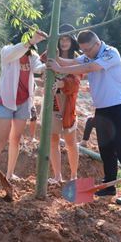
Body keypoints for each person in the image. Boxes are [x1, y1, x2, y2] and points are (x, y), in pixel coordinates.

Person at [46, 30, 121, 205]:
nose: (86, 54)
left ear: (97, 43)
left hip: (118, 107)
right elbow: (74, 61)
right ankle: (109, 185)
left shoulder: (110, 53)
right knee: (106, 149)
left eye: (88, 50)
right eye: (83, 51)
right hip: (102, 109)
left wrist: (61, 69)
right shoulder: (88, 55)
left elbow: (89, 68)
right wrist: (56, 58)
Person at [0, 29, 48, 186]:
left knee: (16, 139)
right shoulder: (8, 52)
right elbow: (11, 53)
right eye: (30, 41)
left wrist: (49, 62)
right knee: (1, 139)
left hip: (24, 101)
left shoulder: (32, 56)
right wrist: (30, 41)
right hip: (6, 100)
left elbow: (38, 68)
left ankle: (10, 174)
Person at [44, 24, 81, 183]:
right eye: (61, 39)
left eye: (67, 39)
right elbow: (40, 68)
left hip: (67, 102)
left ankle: (73, 176)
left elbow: (77, 81)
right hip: (51, 100)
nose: (64, 42)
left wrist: (63, 83)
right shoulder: (50, 54)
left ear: (72, 41)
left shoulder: (78, 58)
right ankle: (57, 175)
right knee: (53, 139)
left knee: (70, 141)